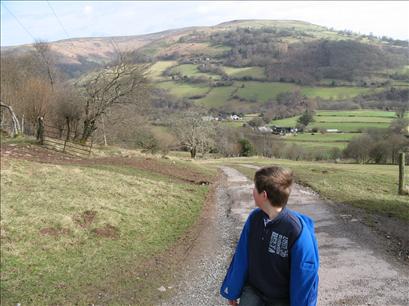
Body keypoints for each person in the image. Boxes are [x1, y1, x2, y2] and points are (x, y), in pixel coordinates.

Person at [220, 166, 319, 306]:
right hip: (253, 292)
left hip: (281, 299)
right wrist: (233, 290)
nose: (252, 191)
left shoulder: (296, 231)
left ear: (264, 195)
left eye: (255, 188)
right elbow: (242, 256)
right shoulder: (254, 219)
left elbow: (305, 277)